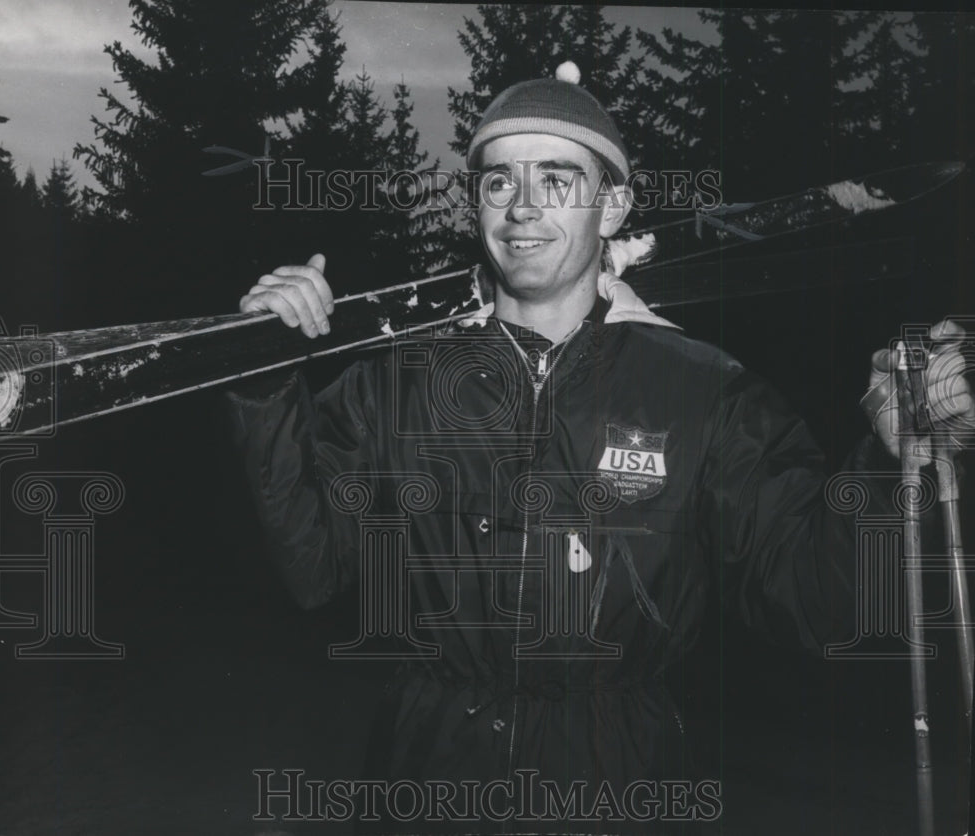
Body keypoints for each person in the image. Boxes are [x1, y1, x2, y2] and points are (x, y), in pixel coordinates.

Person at [227, 66, 973, 834]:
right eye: (497, 183)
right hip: (429, 772)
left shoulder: (702, 391)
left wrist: (889, 463)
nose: (520, 208)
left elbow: (823, 597)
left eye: (557, 180)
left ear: (613, 206)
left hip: (620, 776)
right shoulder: (400, 379)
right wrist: (263, 382)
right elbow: (312, 569)